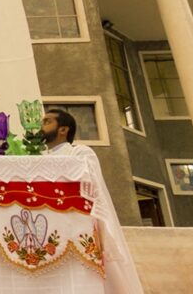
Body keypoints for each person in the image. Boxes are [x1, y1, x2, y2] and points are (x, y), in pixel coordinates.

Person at [41, 109, 144, 294]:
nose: (41, 127)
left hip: (77, 223)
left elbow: (90, 184)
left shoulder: (80, 152)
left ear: (63, 129)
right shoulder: (39, 158)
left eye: (47, 122)